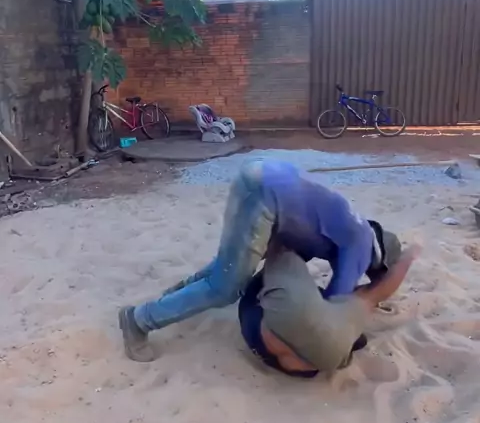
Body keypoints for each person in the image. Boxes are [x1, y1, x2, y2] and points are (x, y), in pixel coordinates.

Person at [119, 158, 402, 362]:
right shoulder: (359, 248)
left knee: (230, 265)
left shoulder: (351, 226)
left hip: (263, 176)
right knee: (225, 289)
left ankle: (176, 293)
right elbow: (331, 312)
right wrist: (351, 335)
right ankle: (139, 320)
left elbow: (300, 247)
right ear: (378, 265)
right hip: (266, 197)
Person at [238, 242, 421, 377]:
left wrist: (407, 258)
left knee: (282, 248)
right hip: (321, 351)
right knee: (368, 298)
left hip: (304, 340)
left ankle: (295, 239)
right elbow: (377, 292)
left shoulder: (333, 318)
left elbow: (376, 292)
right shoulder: (336, 323)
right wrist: (410, 254)